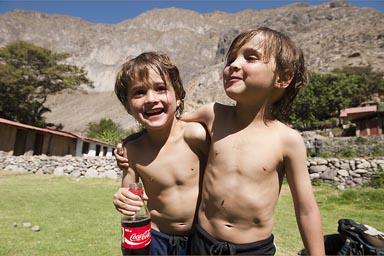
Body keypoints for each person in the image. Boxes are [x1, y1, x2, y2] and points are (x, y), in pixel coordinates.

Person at [116, 27, 324, 255]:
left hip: (253, 249)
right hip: (203, 243)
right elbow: (168, 124)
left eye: (250, 57)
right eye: (231, 58)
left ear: (283, 77)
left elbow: (306, 210)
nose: (234, 64)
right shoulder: (212, 115)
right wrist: (129, 142)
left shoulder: (288, 140)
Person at [113, 52, 210, 255]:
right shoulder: (133, 150)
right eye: (139, 92)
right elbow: (131, 197)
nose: (151, 99)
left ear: (178, 94)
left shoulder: (196, 136)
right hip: (156, 241)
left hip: (201, 240)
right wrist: (124, 199)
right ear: (128, 105)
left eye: (161, 88)